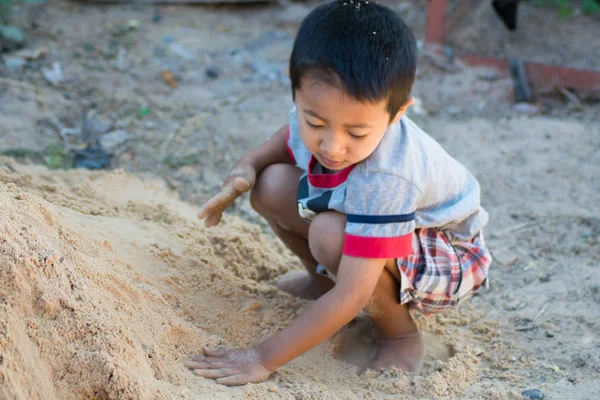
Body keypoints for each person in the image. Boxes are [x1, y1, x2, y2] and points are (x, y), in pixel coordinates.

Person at [185, 0, 492, 386]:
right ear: (295, 89)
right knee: (271, 184)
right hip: (391, 234)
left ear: (397, 114)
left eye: (357, 133)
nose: (332, 145)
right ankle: (320, 281)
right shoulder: (322, 107)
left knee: (330, 234)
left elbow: (352, 292)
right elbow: (287, 139)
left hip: (449, 258)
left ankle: (399, 333)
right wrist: (245, 167)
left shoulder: (388, 174)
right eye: (315, 122)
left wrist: (262, 357)